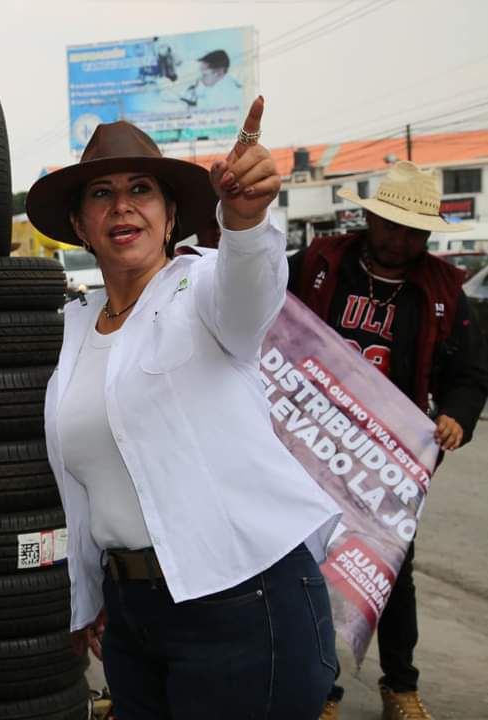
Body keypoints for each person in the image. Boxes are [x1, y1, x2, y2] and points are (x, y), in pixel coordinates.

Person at [27, 98, 342, 719]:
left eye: (141, 189)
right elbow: (83, 485)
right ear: (81, 225)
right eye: (100, 193)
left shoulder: (202, 289)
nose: (122, 205)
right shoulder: (78, 329)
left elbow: (250, 290)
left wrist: (245, 220)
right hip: (134, 618)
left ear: (170, 216)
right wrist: (86, 598)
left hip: (244, 601)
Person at [288, 162, 488, 720]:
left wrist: (456, 417)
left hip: (386, 460)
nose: (402, 239)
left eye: (415, 231)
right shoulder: (319, 264)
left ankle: (400, 687)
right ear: (370, 218)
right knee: (307, 570)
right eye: (392, 226)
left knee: (389, 572)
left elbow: (470, 375)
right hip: (305, 444)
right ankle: (319, 691)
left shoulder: (445, 289)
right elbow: (259, 309)